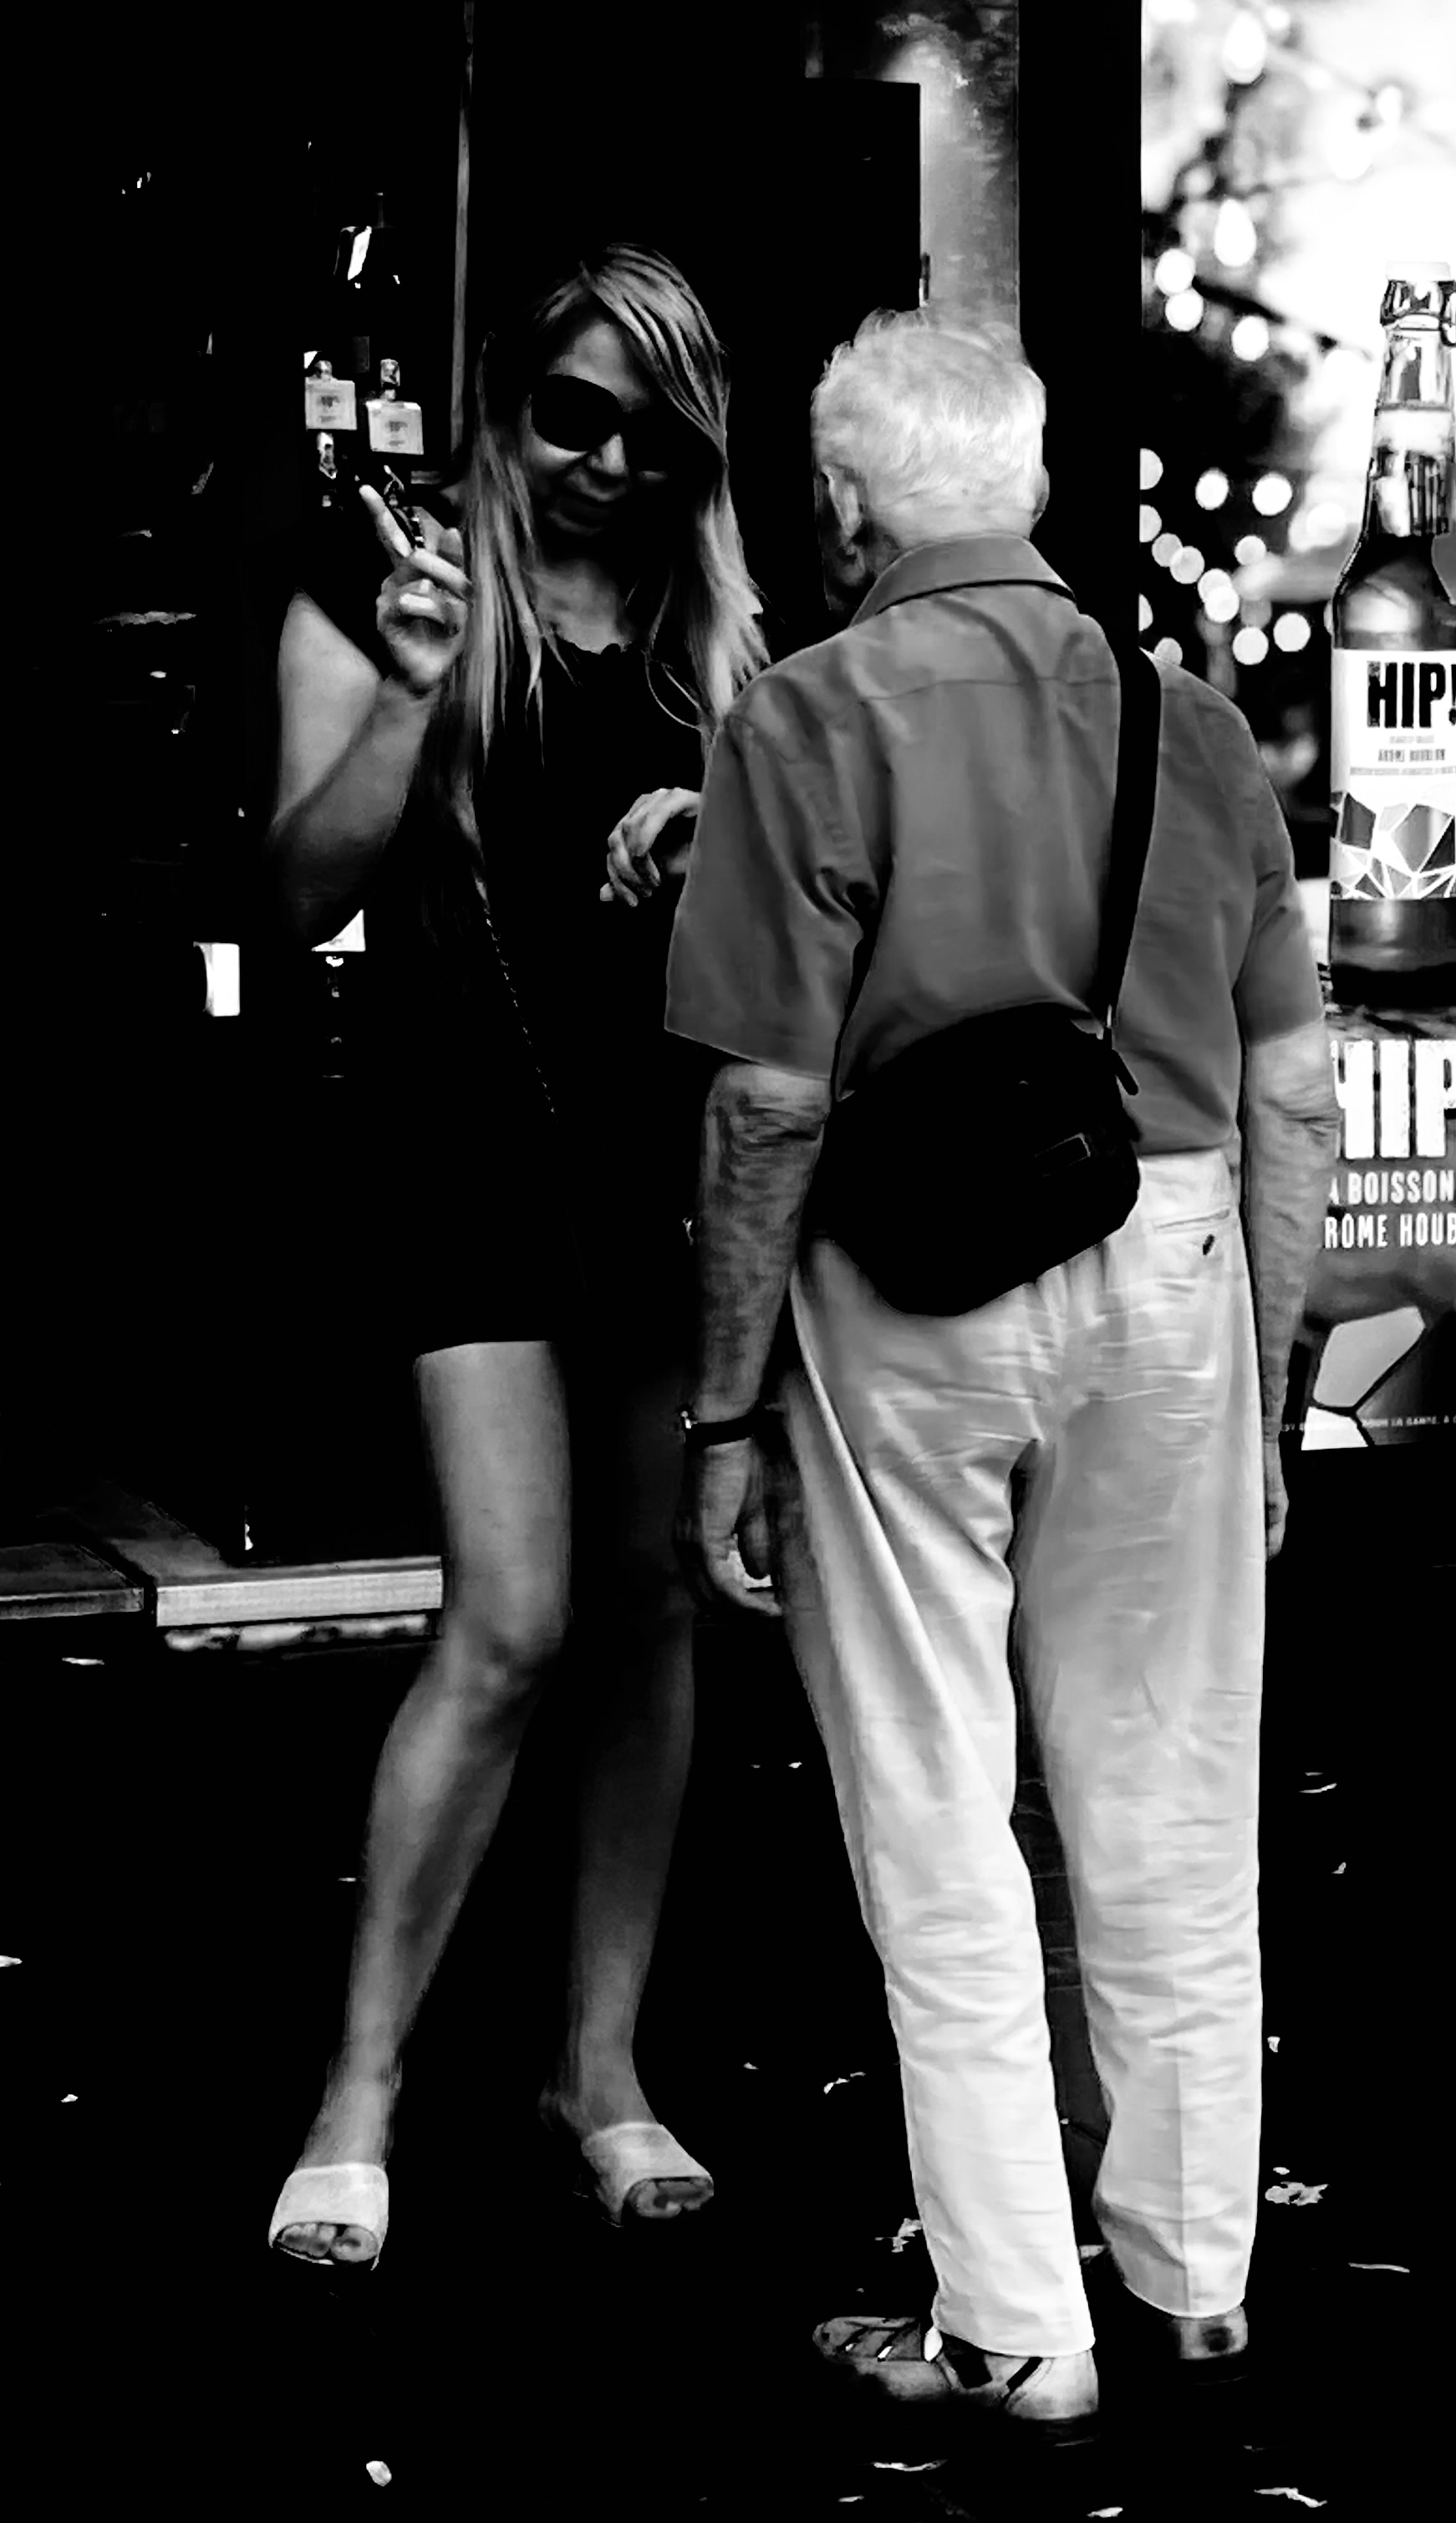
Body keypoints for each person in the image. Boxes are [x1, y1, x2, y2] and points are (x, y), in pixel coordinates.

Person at [666, 311, 1341, 2441]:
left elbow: (767, 1103)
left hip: (911, 1276)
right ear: (1034, 485)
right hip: (1175, 1252)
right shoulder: (1195, 724)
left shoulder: (803, 714)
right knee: (1172, 1790)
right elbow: (1293, 1088)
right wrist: (1265, 1386)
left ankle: (1016, 2328)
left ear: (843, 505)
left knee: (936, 1798)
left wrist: (721, 1408)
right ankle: (1196, 2277)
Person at [264, 243, 767, 2266]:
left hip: (656, 1161)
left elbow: (797, 919)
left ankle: (599, 2068)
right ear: (504, 402)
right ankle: (359, 2087)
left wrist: (711, 829)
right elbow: (302, 881)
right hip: (463, 1155)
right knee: (515, 1611)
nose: (607, 463)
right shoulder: (397, 584)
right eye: (572, 415)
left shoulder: (716, 636)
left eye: (653, 436)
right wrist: (409, 686)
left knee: (652, 1608)